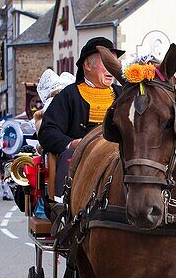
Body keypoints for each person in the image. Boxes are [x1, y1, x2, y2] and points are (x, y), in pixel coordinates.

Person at [37, 36, 124, 197]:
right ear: (87, 65)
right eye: (106, 63)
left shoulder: (124, 95)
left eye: (114, 63)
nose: (112, 68)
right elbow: (47, 131)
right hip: (82, 158)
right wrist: (71, 144)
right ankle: (64, 206)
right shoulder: (69, 96)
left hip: (119, 156)